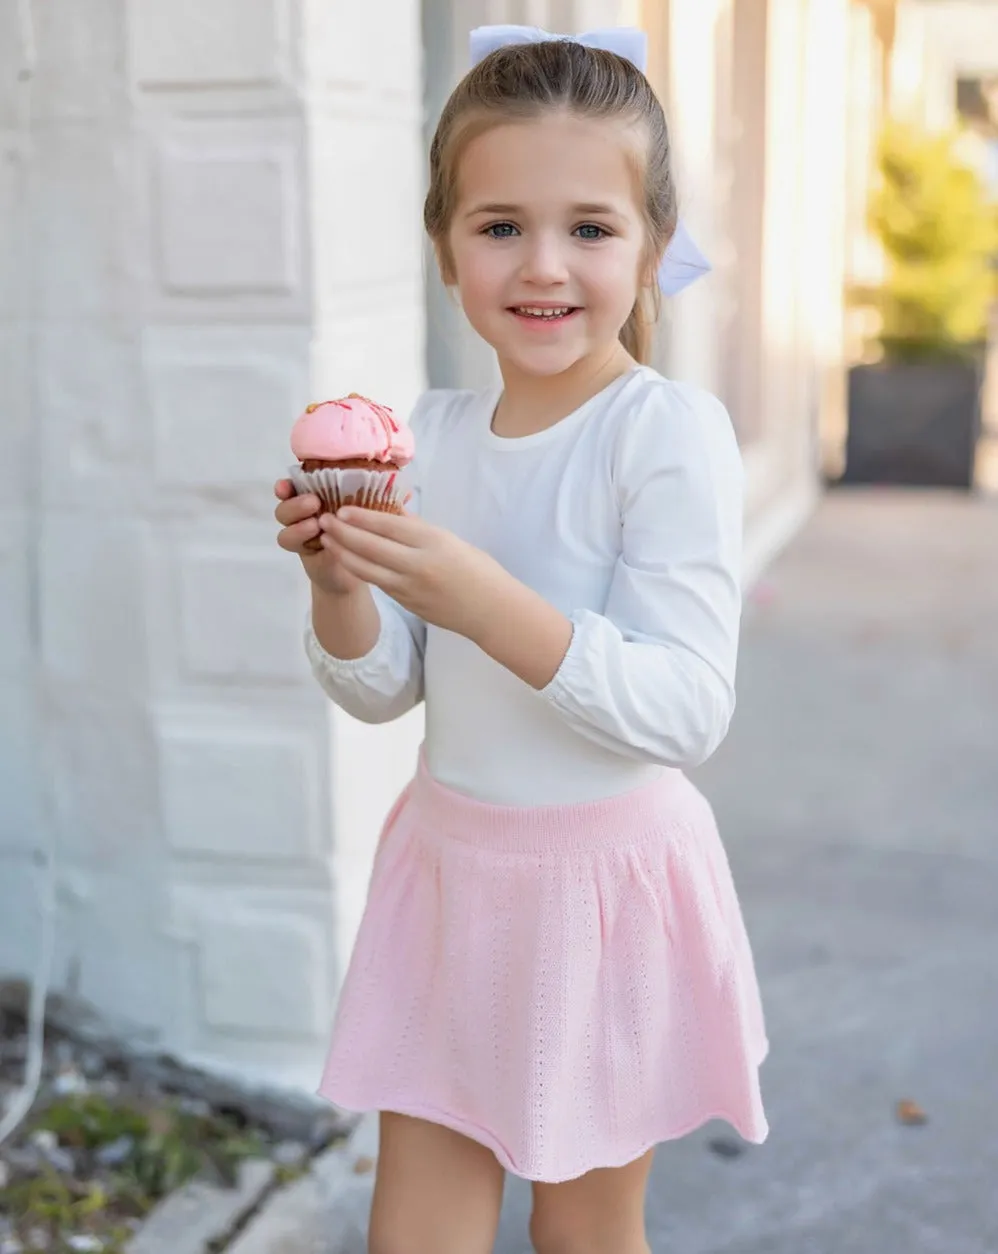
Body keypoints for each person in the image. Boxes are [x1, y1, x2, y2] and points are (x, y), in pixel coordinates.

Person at [274, 25, 768, 1254]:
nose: (542, 265)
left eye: (590, 229)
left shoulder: (663, 434)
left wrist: (481, 597)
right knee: (416, 1236)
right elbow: (383, 687)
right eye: (498, 225)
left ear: (652, 245)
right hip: (449, 881)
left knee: (581, 1235)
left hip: (602, 901)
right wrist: (339, 583)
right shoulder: (422, 439)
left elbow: (684, 707)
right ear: (444, 246)